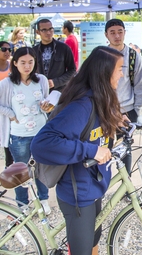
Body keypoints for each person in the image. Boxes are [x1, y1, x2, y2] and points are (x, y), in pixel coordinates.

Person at [31, 46, 124, 255]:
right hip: (78, 193)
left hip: (92, 185)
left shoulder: (100, 98)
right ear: (105, 73)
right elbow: (41, 144)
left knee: (93, 241)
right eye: (119, 69)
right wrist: (91, 151)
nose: (122, 74)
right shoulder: (82, 105)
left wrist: (118, 123)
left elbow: (91, 130)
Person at [0, 47, 52, 214]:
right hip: (19, 135)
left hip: (40, 133)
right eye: (23, 62)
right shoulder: (7, 83)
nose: (27, 66)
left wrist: (47, 106)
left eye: (30, 62)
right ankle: (23, 204)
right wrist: (11, 114)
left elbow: (46, 103)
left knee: (42, 168)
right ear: (15, 63)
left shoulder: (42, 80)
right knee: (21, 172)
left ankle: (43, 199)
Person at [105, 19, 142, 176]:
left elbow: (140, 85)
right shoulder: (101, 55)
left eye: (120, 31)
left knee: (126, 148)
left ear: (125, 33)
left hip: (128, 109)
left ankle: (126, 183)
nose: (117, 36)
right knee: (104, 148)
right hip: (105, 110)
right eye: (112, 32)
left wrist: (137, 110)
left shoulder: (134, 56)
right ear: (106, 35)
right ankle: (103, 184)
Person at [33, 19, 76, 92]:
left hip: (59, 92)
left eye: (50, 29)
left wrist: (56, 82)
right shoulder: (34, 51)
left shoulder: (63, 48)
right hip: (39, 92)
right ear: (38, 32)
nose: (48, 32)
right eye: (44, 30)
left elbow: (72, 70)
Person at [0, 41, 14, 167]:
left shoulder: (13, 66)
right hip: (2, 109)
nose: (7, 52)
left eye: (10, 49)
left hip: (11, 111)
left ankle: (8, 171)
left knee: (8, 143)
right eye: (3, 49)